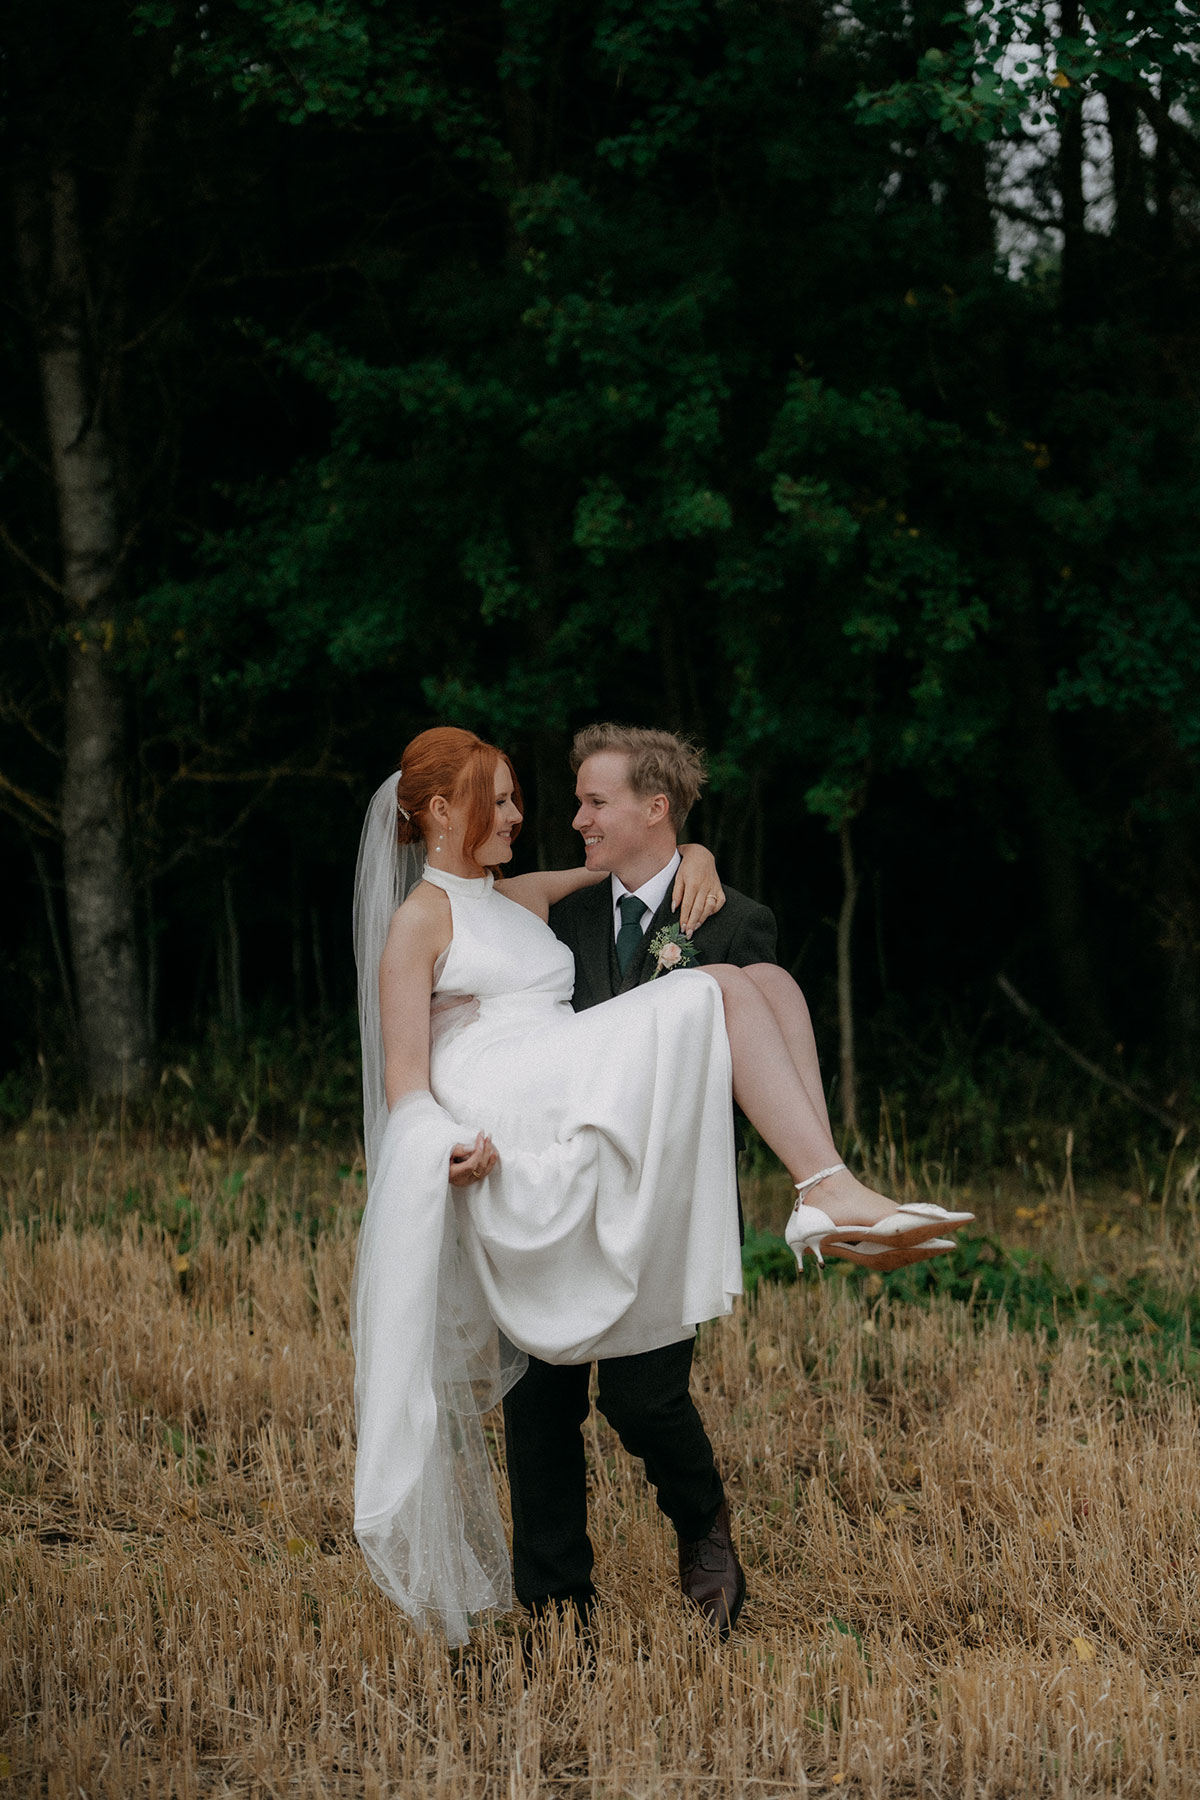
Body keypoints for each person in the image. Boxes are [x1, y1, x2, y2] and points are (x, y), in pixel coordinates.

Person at [350, 726, 969, 1647]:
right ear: (442, 811)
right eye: (507, 798)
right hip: (520, 1121)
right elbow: (408, 1080)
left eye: (567, 801)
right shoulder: (424, 919)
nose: (538, 816)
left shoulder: (519, 899)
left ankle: (826, 1184)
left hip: (624, 1158)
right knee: (542, 1398)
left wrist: (697, 850)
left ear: (654, 811)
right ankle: (558, 1611)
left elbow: (617, 877)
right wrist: (443, 1147)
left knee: (746, 978)